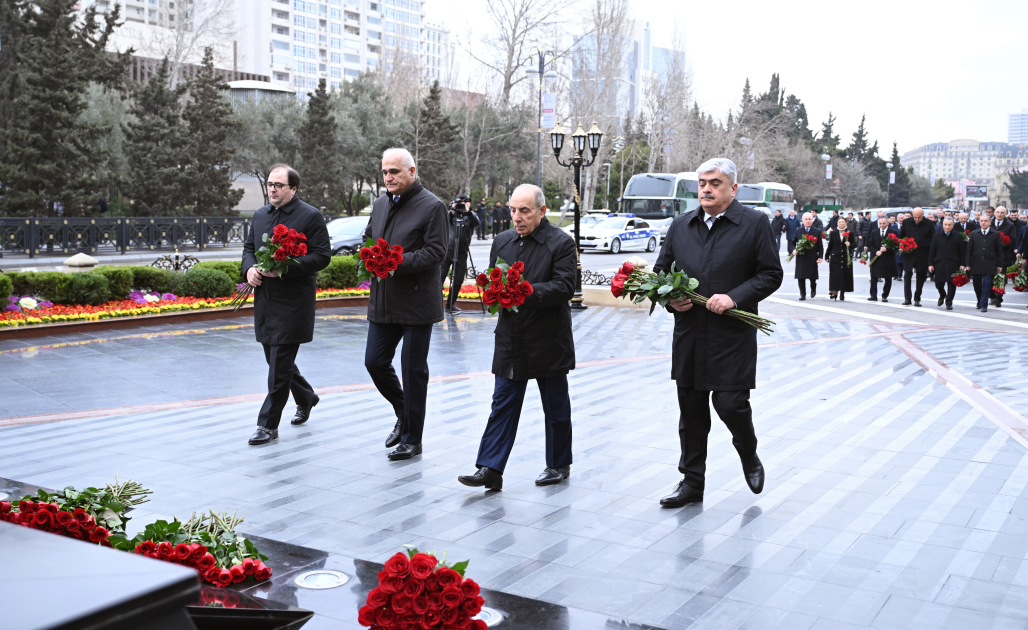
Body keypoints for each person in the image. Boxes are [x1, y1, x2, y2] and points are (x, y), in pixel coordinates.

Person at [653, 157, 783, 508]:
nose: (707, 189)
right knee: (691, 412)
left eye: (715, 183)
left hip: (732, 333)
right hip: (691, 333)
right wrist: (671, 300)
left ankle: (748, 452)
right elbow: (660, 274)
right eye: (703, 184)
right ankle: (691, 482)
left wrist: (735, 296)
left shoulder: (754, 223)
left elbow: (771, 274)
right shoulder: (681, 225)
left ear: (733, 188)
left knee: (731, 403)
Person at [457, 184, 577, 491]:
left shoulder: (561, 243)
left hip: (548, 338)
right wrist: (494, 293)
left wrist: (523, 292)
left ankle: (558, 464)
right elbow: (490, 281)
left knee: (555, 406)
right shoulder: (503, 240)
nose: (517, 217)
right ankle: (490, 468)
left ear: (542, 211)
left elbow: (564, 287)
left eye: (524, 210)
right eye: (513, 209)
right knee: (502, 404)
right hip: (511, 338)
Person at [363, 148, 448, 461]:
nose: (388, 178)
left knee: (413, 371)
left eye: (395, 172)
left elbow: (436, 252)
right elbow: (368, 238)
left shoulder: (432, 206)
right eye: (385, 172)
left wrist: (393, 262)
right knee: (374, 362)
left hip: (416, 304)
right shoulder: (381, 202)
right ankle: (404, 410)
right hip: (383, 300)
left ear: (412, 171)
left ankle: (412, 440)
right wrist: (371, 255)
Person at [243, 164, 332, 446]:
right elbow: (248, 249)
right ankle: (306, 396)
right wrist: (249, 270)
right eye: (270, 184)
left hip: (294, 303)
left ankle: (268, 425)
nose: (272, 189)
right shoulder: (259, 215)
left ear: (293, 188)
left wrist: (284, 266)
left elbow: (321, 257)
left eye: (278, 185)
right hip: (265, 301)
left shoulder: (310, 216)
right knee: (275, 361)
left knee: (279, 367)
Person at [440, 194, 480, 314]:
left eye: (466, 201)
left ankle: (450, 305)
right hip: (447, 251)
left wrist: (468, 212)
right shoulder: (450, 215)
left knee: (458, 279)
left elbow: (477, 222)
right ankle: (435, 304)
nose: (463, 204)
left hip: (462, 252)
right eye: (460, 202)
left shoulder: (471, 216)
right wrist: (452, 211)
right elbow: (441, 221)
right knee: (439, 278)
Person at [966, 215, 1003, 313]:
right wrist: (968, 264)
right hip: (976, 263)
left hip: (990, 263)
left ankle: (984, 305)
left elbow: (999, 251)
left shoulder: (995, 234)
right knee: (977, 284)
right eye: (981, 221)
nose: (983, 222)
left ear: (990, 222)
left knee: (987, 285)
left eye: (985, 221)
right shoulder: (974, 233)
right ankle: (979, 300)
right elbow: (969, 250)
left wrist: (1000, 265)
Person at [899, 208, 935, 307]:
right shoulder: (906, 222)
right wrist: (903, 244)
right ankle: (907, 298)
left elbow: (933, 238)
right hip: (909, 253)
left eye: (919, 217)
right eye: (915, 217)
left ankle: (917, 298)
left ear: (923, 215)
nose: (917, 219)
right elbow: (901, 236)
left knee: (921, 276)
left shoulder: (928, 223)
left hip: (923, 254)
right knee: (907, 274)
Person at [928, 217, 965, 311]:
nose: (947, 227)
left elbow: (962, 252)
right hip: (940, 263)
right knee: (938, 283)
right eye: (945, 224)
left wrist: (962, 264)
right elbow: (932, 251)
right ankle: (942, 294)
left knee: (952, 284)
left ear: (953, 226)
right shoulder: (937, 236)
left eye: (949, 225)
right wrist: (930, 264)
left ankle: (949, 302)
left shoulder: (958, 236)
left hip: (953, 264)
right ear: (943, 225)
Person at [866, 216, 897, 302]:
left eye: (884, 223)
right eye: (880, 223)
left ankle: (885, 295)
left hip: (888, 258)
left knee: (888, 277)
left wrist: (887, 249)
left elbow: (896, 246)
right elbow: (870, 244)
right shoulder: (874, 232)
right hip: (876, 258)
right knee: (873, 276)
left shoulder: (893, 232)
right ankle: (873, 295)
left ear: (887, 223)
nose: (882, 225)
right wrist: (876, 252)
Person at [792, 212, 823, 300]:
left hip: (812, 257)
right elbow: (792, 243)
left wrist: (820, 257)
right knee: (801, 277)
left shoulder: (817, 231)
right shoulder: (798, 231)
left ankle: (813, 288)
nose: (808, 221)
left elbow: (820, 246)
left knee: (812, 277)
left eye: (810, 219)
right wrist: (793, 250)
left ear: (812, 221)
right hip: (801, 257)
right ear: (802, 221)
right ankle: (803, 294)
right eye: (806, 219)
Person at [991, 207, 1017, 307]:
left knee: (1001, 277)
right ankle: (991, 295)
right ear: (994, 213)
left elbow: (1012, 239)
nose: (999, 214)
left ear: (1005, 214)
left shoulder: (1010, 225)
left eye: (1002, 213)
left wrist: (1002, 243)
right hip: (990, 255)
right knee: (990, 276)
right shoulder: (990, 223)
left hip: (1004, 255)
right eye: (997, 212)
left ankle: (998, 297)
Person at [825, 217, 856, 301]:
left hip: (846, 257)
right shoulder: (833, 233)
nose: (841, 223)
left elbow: (854, 244)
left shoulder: (850, 233)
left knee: (844, 275)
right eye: (840, 222)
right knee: (835, 275)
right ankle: (834, 292)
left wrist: (850, 245)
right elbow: (830, 245)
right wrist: (827, 255)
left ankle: (842, 292)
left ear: (846, 223)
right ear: (837, 223)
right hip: (835, 256)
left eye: (843, 222)